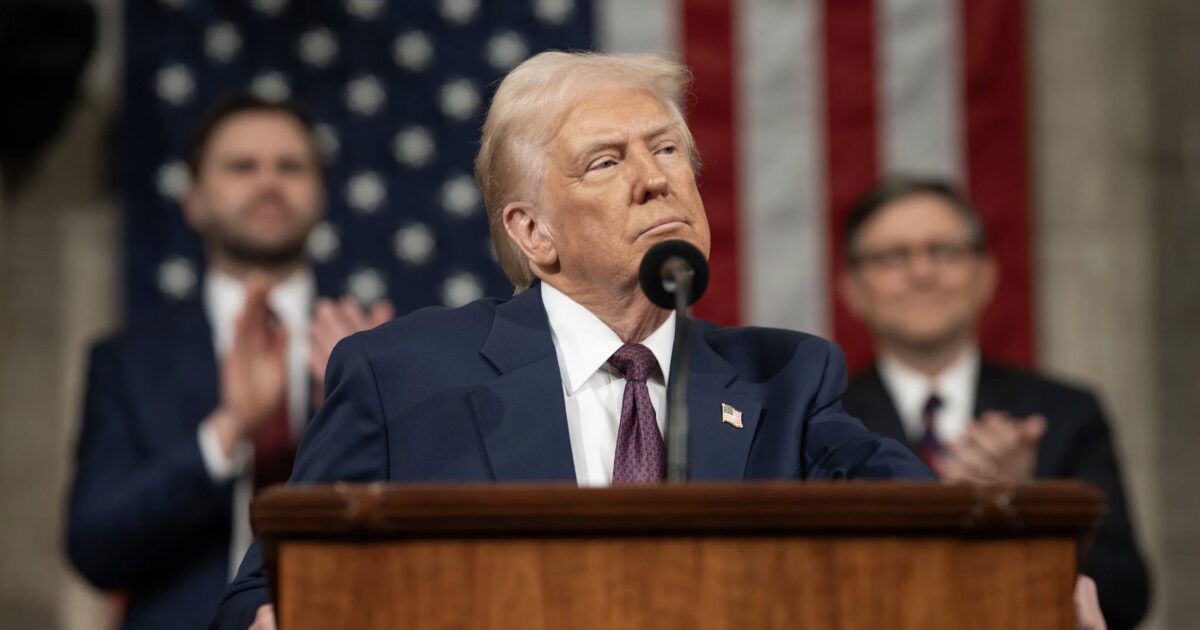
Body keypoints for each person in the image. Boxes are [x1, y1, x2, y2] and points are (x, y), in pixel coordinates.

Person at [209, 51, 933, 630]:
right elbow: (260, 594)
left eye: (670, 151)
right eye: (607, 161)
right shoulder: (405, 376)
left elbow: (916, 522)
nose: (656, 181)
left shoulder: (788, 379)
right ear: (533, 232)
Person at [65, 94, 393, 630]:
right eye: (242, 167)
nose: (268, 182)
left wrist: (364, 412)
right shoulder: (127, 362)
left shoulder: (376, 342)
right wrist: (228, 430)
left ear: (320, 196)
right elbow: (94, 547)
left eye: (290, 167)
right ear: (193, 200)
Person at [838, 176, 1149, 629]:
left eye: (944, 252)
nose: (922, 272)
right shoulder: (821, 416)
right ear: (853, 288)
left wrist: (1023, 507)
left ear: (985, 276)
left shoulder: (1066, 414)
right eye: (892, 257)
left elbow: (1126, 596)